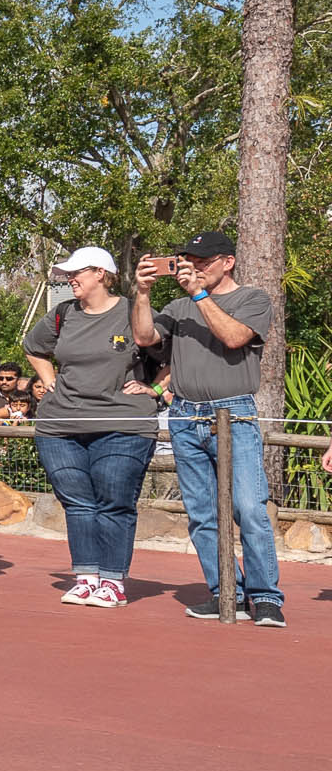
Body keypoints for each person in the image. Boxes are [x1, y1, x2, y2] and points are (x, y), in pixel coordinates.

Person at [130, 231, 282, 626]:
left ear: (227, 262)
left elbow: (234, 338)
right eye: (188, 261)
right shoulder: (177, 306)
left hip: (233, 412)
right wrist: (142, 292)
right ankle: (226, 591)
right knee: (201, 513)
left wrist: (199, 294)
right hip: (184, 413)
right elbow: (144, 337)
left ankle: (266, 597)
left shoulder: (253, 299)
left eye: (203, 262)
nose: (194, 268)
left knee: (249, 508)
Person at [27, 247, 159, 610]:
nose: (71, 279)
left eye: (77, 272)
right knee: (78, 503)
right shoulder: (62, 313)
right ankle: (86, 578)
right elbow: (33, 348)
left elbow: (171, 352)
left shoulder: (132, 310)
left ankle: (113, 580)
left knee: (114, 500)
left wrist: (157, 388)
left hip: (123, 424)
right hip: (60, 426)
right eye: (68, 273)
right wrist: (49, 379)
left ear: (101, 273)